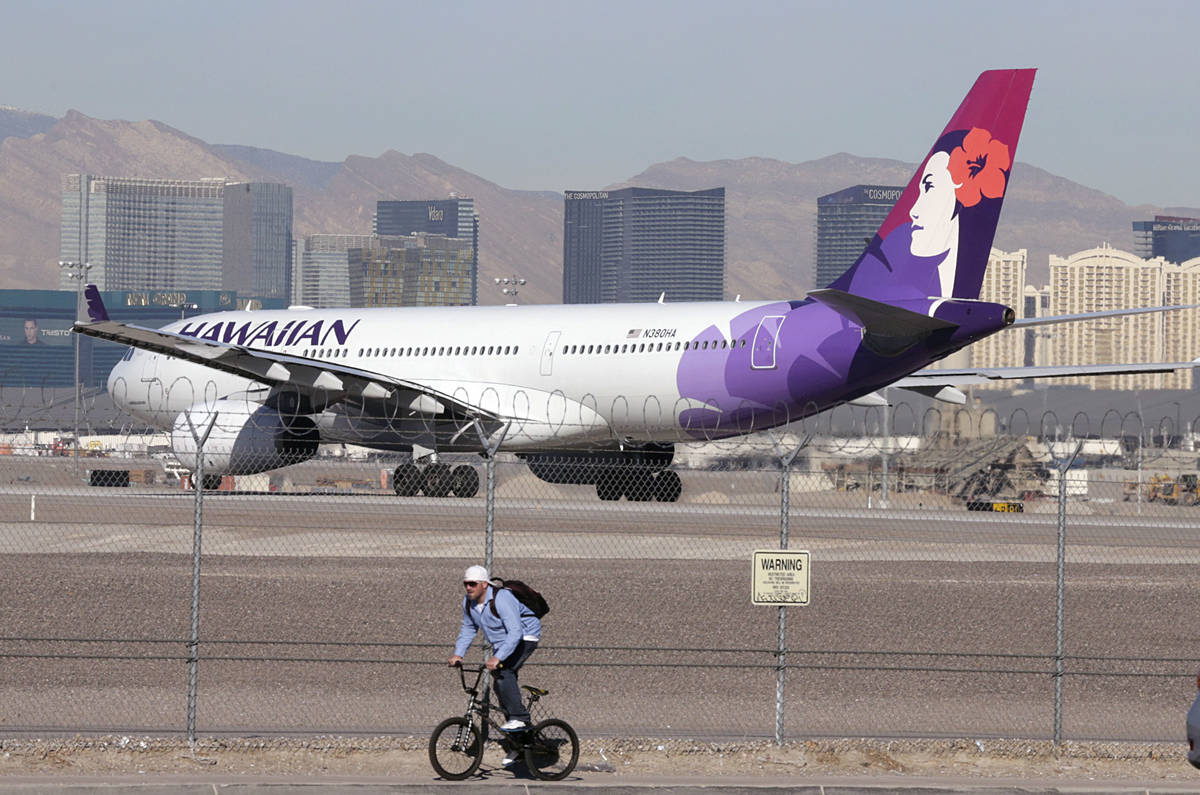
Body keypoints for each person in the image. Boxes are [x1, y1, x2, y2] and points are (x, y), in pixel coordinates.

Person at [448, 565, 541, 734]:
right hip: (503, 642)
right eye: (466, 584)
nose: (468, 588)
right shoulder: (468, 603)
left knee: (505, 671)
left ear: (484, 584)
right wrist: (458, 654)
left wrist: (498, 658)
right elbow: (469, 628)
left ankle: (520, 718)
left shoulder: (502, 598)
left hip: (525, 636)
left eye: (472, 584)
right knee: (500, 684)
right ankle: (519, 741)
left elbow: (515, 632)